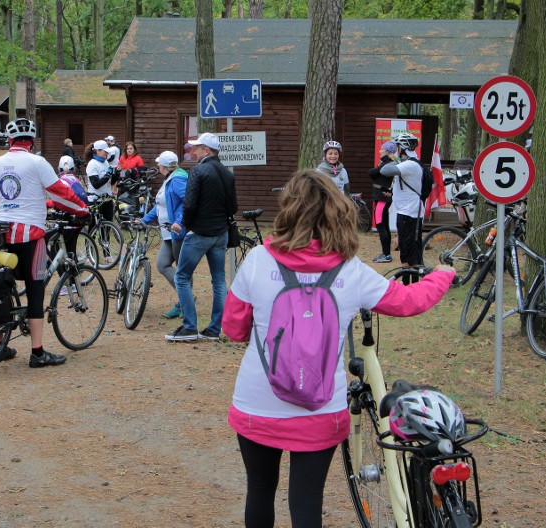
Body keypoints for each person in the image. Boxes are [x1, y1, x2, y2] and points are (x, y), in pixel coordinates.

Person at [221, 169, 456, 528]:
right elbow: (410, 301)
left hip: (258, 403)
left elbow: (233, 329)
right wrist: (442, 274)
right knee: (307, 502)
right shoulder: (352, 271)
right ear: (337, 210)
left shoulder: (256, 260)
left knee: (260, 489)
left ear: (288, 209)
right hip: (320, 409)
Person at [0, 118, 90, 367]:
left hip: (3, 230)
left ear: (10, 140)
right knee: (36, 289)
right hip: (31, 232)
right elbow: (59, 191)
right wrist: (82, 210)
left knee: (1, 285)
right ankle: (37, 352)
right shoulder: (37, 161)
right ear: (31, 140)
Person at [166, 132, 237, 342]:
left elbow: (189, 204)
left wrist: (185, 225)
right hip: (221, 234)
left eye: (196, 148)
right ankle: (214, 329)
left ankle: (189, 327)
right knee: (219, 281)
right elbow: (233, 207)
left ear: (207, 150)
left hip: (199, 233)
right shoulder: (227, 174)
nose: (193, 151)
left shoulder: (198, 171)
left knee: (182, 277)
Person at [140, 151, 188, 319]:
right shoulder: (169, 179)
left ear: (165, 166)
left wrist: (180, 222)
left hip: (177, 232)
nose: (158, 166)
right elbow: (160, 206)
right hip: (168, 233)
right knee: (162, 264)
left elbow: (188, 202)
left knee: (182, 270)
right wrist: (144, 220)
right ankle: (186, 298)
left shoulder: (178, 180)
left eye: (159, 164)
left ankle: (184, 303)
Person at [380, 132, 424, 281]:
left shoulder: (411, 164)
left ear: (402, 148)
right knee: (405, 250)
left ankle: (411, 284)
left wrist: (394, 160)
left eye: (397, 147)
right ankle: (407, 282)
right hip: (406, 211)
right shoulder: (410, 163)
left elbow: (384, 170)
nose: (396, 151)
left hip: (410, 213)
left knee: (410, 250)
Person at [369, 140, 397, 263]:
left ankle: (386, 254)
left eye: (382, 149)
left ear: (386, 151)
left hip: (382, 198)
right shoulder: (385, 163)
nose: (380, 151)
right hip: (381, 196)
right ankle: (387, 253)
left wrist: (380, 165)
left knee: (380, 225)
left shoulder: (388, 163)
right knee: (384, 225)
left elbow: (372, 173)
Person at [85, 140, 115, 222]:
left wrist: (117, 173)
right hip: (96, 200)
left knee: (107, 227)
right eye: (105, 151)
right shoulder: (92, 164)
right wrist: (107, 175)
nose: (107, 153)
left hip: (107, 199)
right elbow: (96, 184)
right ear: (97, 151)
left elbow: (111, 182)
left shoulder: (106, 163)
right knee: (94, 226)